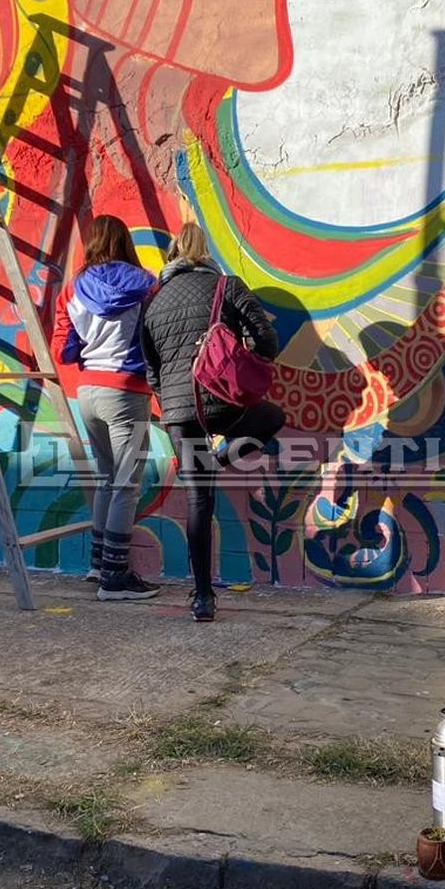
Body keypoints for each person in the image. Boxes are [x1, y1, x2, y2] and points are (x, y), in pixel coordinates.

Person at [141, 222, 283, 622]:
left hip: (177, 410)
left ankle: (203, 598)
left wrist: (171, 401)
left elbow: (151, 367)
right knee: (271, 417)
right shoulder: (227, 287)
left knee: (198, 498)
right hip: (223, 400)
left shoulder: (155, 299)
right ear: (205, 252)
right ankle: (219, 460)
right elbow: (266, 343)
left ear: (172, 254)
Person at [52, 215, 160, 601]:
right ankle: (115, 579)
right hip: (127, 392)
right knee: (126, 485)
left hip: (89, 392)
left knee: (106, 478)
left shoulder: (73, 289)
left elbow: (61, 350)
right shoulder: (148, 284)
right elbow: (158, 335)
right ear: (125, 241)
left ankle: (99, 565)